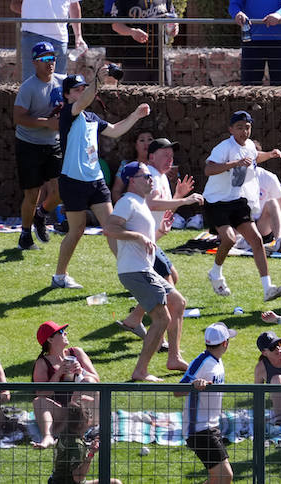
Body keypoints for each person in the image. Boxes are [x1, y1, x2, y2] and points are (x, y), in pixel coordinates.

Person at [52, 71, 151, 289]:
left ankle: (134, 275)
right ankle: (60, 276)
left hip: (96, 181)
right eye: (76, 89)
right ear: (67, 95)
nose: (81, 92)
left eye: (82, 88)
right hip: (73, 181)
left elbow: (115, 131)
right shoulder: (69, 112)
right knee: (76, 231)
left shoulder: (92, 118)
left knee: (111, 228)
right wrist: (98, 78)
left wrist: (135, 115)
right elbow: (86, 99)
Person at [105, 162, 191, 381]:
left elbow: (147, 244)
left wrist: (159, 231)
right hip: (135, 271)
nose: (151, 180)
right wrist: (138, 236)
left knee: (178, 302)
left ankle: (174, 358)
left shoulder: (141, 203)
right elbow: (109, 228)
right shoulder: (127, 201)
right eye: (146, 177)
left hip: (144, 269)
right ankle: (140, 371)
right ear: (132, 180)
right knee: (162, 319)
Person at [116, 139, 200, 341]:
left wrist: (179, 195)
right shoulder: (150, 176)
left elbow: (164, 209)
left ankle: (135, 319)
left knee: (172, 276)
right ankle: (159, 335)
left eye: (171, 156)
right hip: (142, 246)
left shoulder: (161, 177)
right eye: (165, 155)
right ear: (151, 157)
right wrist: (185, 200)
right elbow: (153, 204)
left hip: (152, 241)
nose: (169, 159)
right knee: (168, 286)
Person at [202, 110, 281, 301]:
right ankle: (216, 273)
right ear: (230, 129)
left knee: (256, 240)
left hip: (237, 201)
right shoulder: (224, 147)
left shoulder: (248, 145)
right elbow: (209, 169)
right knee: (229, 239)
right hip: (216, 202)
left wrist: (270, 154)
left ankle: (268, 288)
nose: (244, 131)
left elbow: (255, 156)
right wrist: (233, 164)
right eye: (239, 127)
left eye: (247, 127)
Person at [14, 41, 65, 251]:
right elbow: (18, 117)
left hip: (53, 143)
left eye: (52, 58)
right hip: (29, 144)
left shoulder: (63, 82)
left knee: (62, 190)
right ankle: (25, 235)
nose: (49, 63)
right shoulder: (28, 88)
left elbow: (83, 94)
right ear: (35, 63)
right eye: (44, 59)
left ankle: (41, 215)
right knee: (32, 194)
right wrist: (47, 123)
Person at [177, 322, 236, 484]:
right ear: (225, 343)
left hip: (210, 427)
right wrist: (194, 385)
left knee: (218, 478)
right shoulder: (201, 362)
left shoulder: (216, 360)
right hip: (199, 430)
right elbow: (178, 390)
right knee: (225, 476)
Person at [32, 321, 100, 449]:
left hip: (84, 410)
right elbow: (41, 393)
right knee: (38, 402)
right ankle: (48, 437)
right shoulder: (42, 363)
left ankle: (69, 432)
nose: (66, 333)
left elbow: (96, 380)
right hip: (62, 412)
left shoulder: (76, 353)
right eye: (61, 332)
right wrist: (58, 375)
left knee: (88, 382)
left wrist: (81, 372)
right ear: (50, 339)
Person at [110, 0, 178, 84]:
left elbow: (173, 20)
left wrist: (174, 28)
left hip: (161, 59)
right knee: (133, 98)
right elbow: (116, 25)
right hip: (134, 60)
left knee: (164, 98)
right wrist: (132, 31)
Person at [50, 401, 122, 484]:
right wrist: (91, 454)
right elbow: (78, 478)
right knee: (116, 483)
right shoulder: (77, 445)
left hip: (55, 481)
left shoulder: (64, 436)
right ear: (85, 422)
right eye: (90, 416)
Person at [110, 130, 154, 199]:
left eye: (150, 139)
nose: (147, 143)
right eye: (142, 140)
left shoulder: (162, 164)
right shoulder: (126, 165)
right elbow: (116, 191)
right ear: (135, 145)